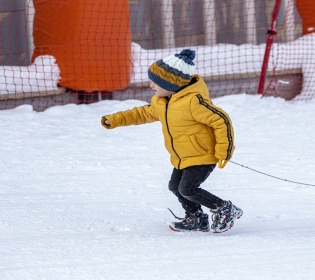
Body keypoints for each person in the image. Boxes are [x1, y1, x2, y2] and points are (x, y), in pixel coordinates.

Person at [100, 49, 242, 233]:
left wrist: (224, 150)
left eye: (155, 82)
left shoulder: (194, 101)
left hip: (203, 154)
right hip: (182, 156)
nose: (150, 85)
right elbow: (142, 113)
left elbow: (221, 120)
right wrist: (116, 119)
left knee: (188, 189)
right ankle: (196, 218)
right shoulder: (162, 102)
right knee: (175, 187)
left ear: (171, 84)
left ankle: (225, 209)